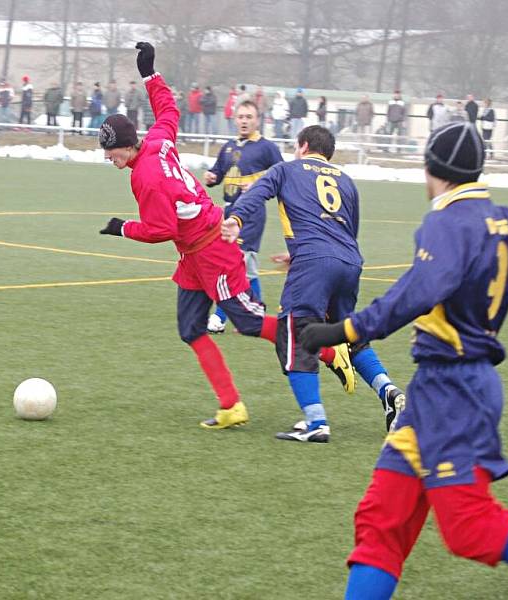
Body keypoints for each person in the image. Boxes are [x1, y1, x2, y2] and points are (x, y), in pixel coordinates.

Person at [297, 122, 508, 599]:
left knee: (472, 529)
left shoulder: (445, 222)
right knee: (381, 522)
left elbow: (421, 291)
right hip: (440, 391)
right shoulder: (507, 221)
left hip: (455, 391)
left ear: (432, 169)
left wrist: (345, 330)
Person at [97, 42, 283, 430]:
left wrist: (121, 228)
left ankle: (323, 348)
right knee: (190, 329)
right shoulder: (158, 140)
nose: (107, 158)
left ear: (127, 146)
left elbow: (160, 230)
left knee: (248, 323)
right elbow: (168, 109)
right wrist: (150, 73)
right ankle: (231, 405)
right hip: (194, 254)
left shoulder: (145, 177)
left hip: (212, 248)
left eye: (110, 151)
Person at [221, 125, 407, 442]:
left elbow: (257, 193)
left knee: (294, 335)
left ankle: (316, 422)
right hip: (348, 262)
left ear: (303, 146)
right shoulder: (346, 181)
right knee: (348, 333)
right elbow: (346, 232)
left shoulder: (286, 169)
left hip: (314, 263)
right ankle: (388, 391)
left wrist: (235, 220)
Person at [203, 99, 283, 334]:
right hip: (229, 212)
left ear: (257, 120)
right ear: (235, 119)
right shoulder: (228, 146)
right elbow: (218, 172)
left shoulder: (266, 147)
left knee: (237, 262)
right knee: (240, 266)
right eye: (241, 117)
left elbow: (283, 174)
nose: (245, 121)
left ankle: (219, 317)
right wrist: (211, 176)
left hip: (251, 214)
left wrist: (258, 183)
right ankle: (255, 312)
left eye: (249, 117)